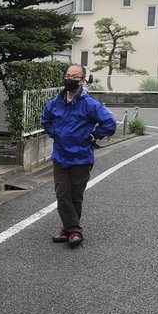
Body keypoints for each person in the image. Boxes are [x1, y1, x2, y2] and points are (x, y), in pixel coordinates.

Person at [41, 64, 116, 247]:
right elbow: (46, 119)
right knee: (62, 194)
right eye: (67, 75)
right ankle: (73, 230)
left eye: (74, 76)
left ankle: (68, 229)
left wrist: (93, 136)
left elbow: (110, 123)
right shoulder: (55, 102)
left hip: (81, 157)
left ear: (82, 81)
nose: (69, 79)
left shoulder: (89, 104)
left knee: (75, 196)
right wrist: (55, 133)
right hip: (60, 156)